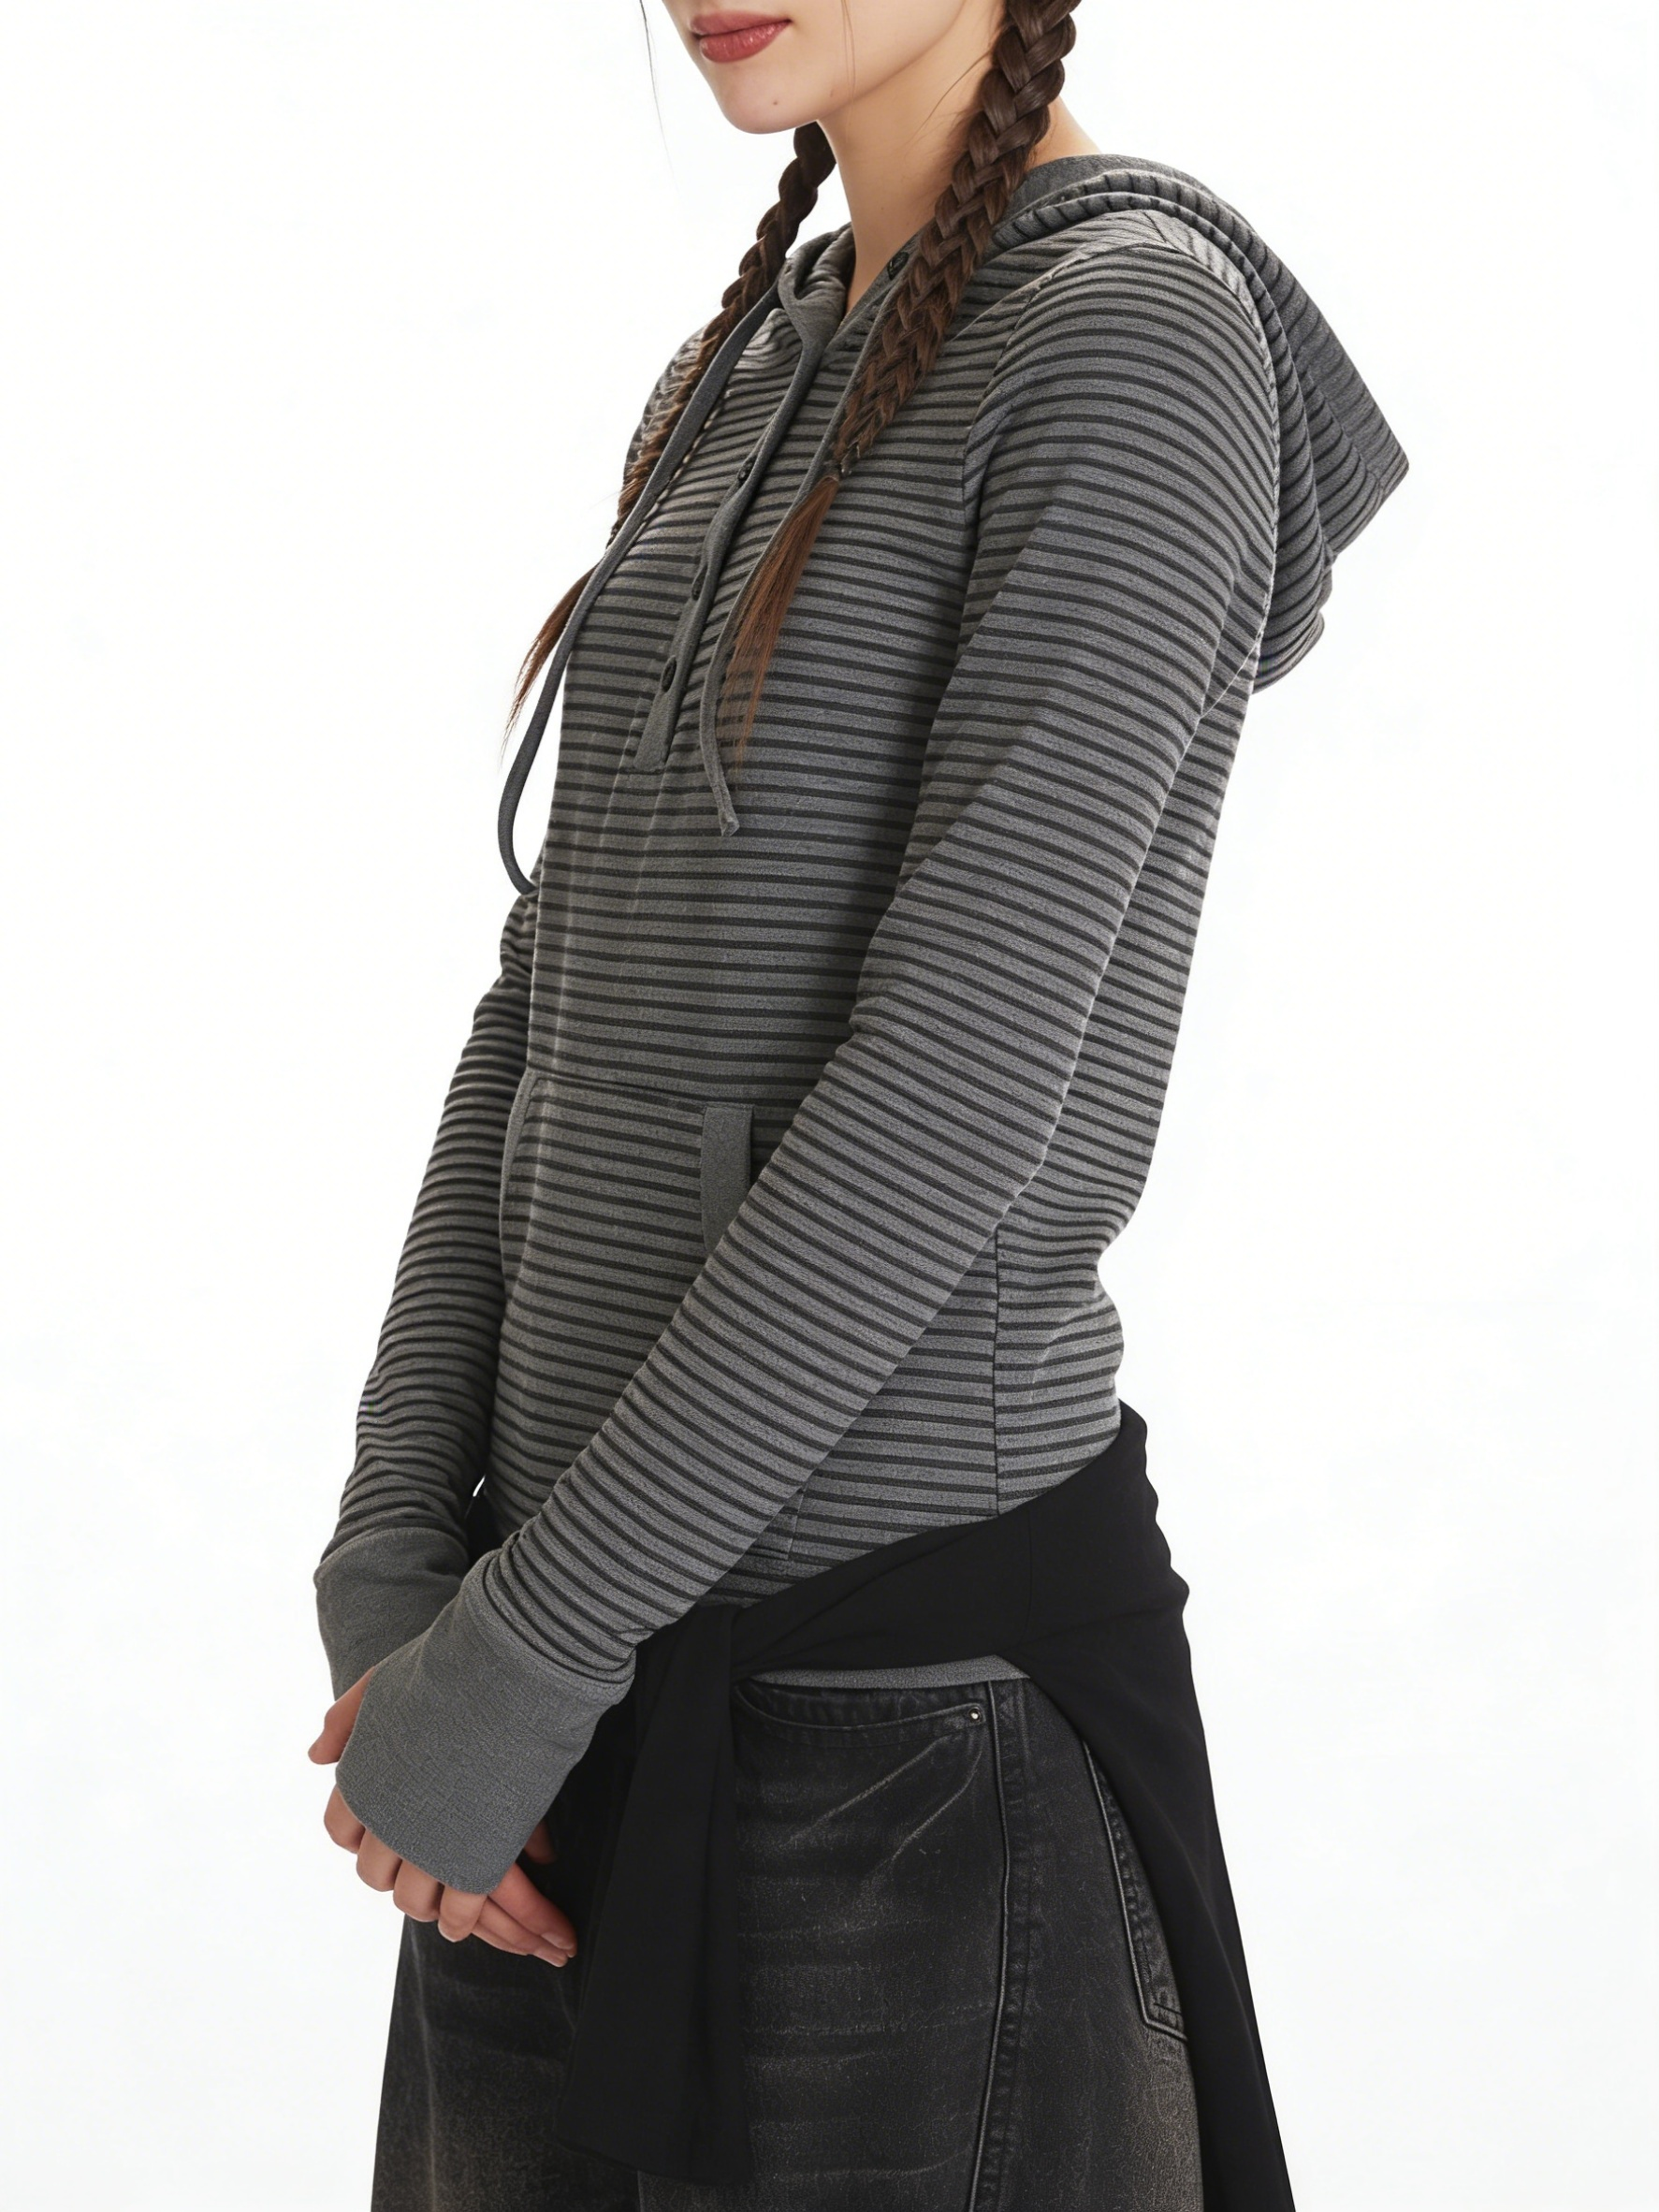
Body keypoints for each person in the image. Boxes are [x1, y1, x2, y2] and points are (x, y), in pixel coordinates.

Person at [307, 3, 1408, 2205]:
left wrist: (517, 1652)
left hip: (897, 1757)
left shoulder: (1132, 340)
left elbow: (949, 1098)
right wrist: (399, 1572)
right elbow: (542, 997)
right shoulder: (739, 364)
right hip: (540, 1720)